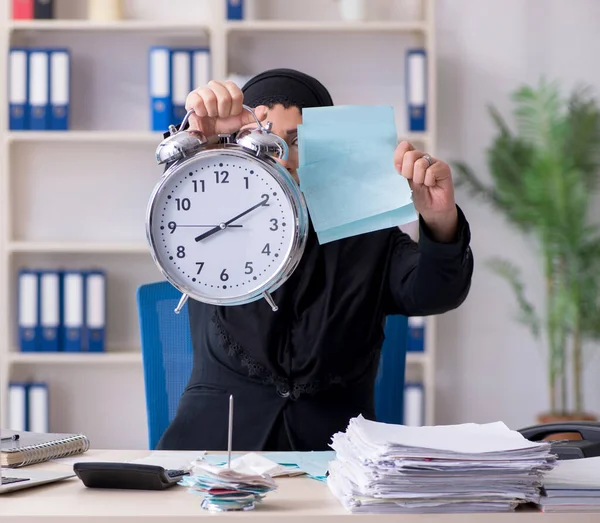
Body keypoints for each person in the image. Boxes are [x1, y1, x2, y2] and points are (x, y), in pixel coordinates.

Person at [156, 68, 474, 452]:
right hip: (217, 451)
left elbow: (436, 293)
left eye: (298, 143)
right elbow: (177, 207)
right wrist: (203, 140)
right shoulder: (214, 212)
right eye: (263, 142)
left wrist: (439, 219)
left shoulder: (368, 234)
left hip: (335, 458)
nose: (283, 160)